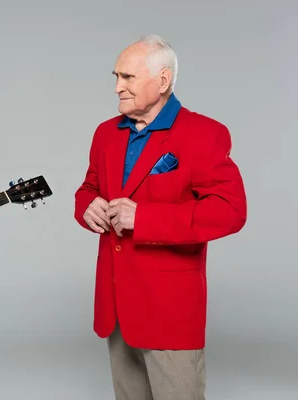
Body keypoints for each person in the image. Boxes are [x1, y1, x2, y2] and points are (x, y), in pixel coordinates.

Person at [74, 35, 247, 399]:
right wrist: (86, 205)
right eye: (115, 76)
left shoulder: (204, 134)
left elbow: (230, 211)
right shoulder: (106, 134)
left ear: (163, 81)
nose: (117, 86)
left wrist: (145, 218)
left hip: (170, 310)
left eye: (128, 77)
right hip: (116, 307)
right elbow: (89, 188)